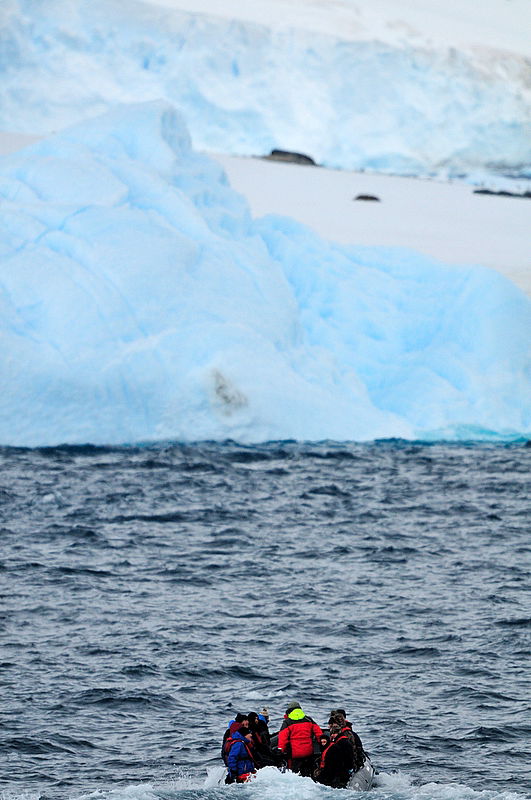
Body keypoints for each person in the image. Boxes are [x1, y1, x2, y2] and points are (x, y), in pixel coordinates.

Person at [278, 700, 323, 777]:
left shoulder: (287, 722)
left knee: (295, 775)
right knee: (309, 773)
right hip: (309, 752)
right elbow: (319, 734)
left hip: (295, 755)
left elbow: (282, 739)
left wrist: (280, 751)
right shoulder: (309, 720)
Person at [314, 721, 355, 788]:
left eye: (332, 734)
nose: (332, 736)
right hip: (342, 769)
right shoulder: (343, 741)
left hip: (339, 771)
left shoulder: (338, 744)